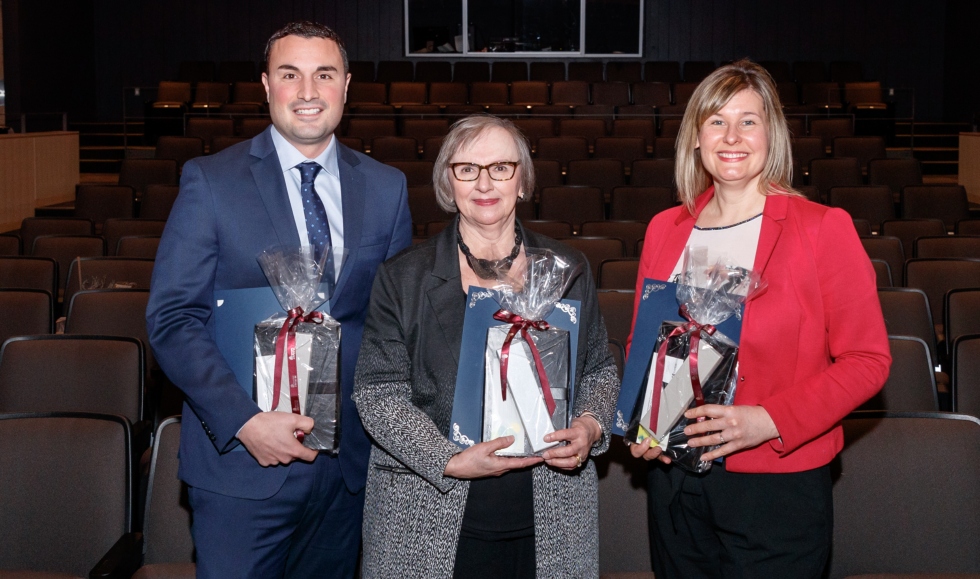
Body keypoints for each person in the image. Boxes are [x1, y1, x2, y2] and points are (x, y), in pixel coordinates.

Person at [146, 21, 412, 578]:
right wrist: (244, 422)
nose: (309, 92)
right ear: (266, 85)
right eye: (291, 75)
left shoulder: (387, 188)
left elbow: (392, 326)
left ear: (347, 85)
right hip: (241, 467)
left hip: (346, 473)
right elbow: (173, 320)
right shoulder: (211, 182)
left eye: (325, 75)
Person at [627, 59, 891, 578]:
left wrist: (767, 421)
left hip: (776, 485)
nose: (732, 136)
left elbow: (868, 360)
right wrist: (645, 420)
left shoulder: (821, 228)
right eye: (717, 120)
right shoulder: (665, 228)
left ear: (772, 135)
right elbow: (647, 342)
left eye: (749, 120)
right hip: (676, 485)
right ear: (696, 137)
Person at [352, 115, 620, 578]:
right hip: (427, 514)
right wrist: (448, 460)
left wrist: (592, 427)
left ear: (522, 179)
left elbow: (599, 370)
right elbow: (377, 393)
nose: (484, 182)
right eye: (467, 168)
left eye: (500, 167)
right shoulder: (403, 277)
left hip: (550, 513)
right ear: (447, 181)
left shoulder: (569, 268)